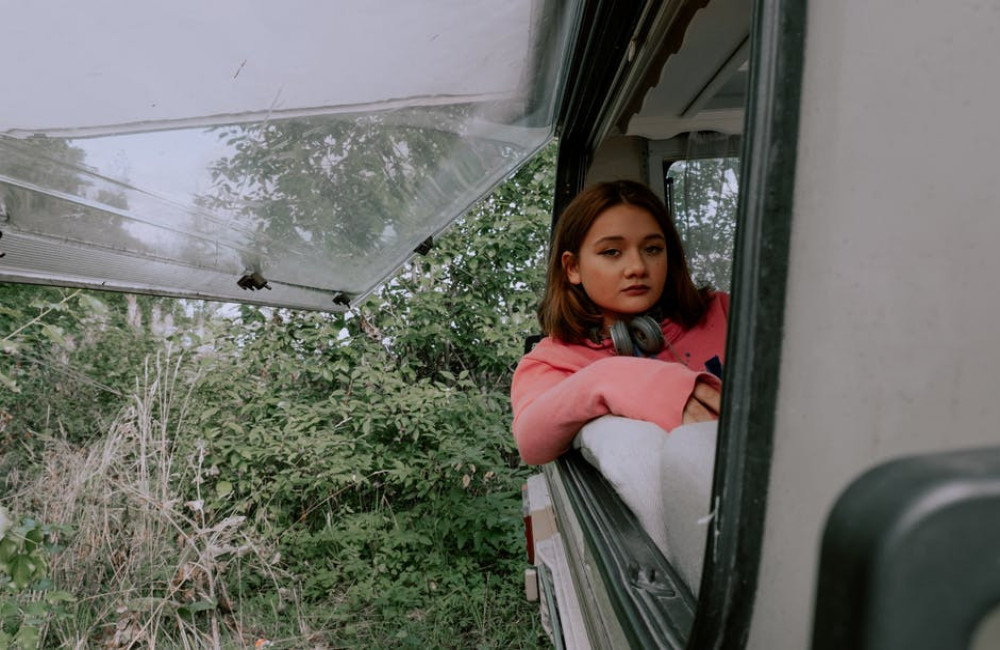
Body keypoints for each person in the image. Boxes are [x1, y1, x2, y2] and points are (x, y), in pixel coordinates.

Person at [510, 180, 728, 465]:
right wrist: (610, 377)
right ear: (573, 268)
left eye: (652, 249)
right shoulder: (552, 362)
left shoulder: (722, 310)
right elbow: (531, 442)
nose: (637, 267)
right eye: (612, 252)